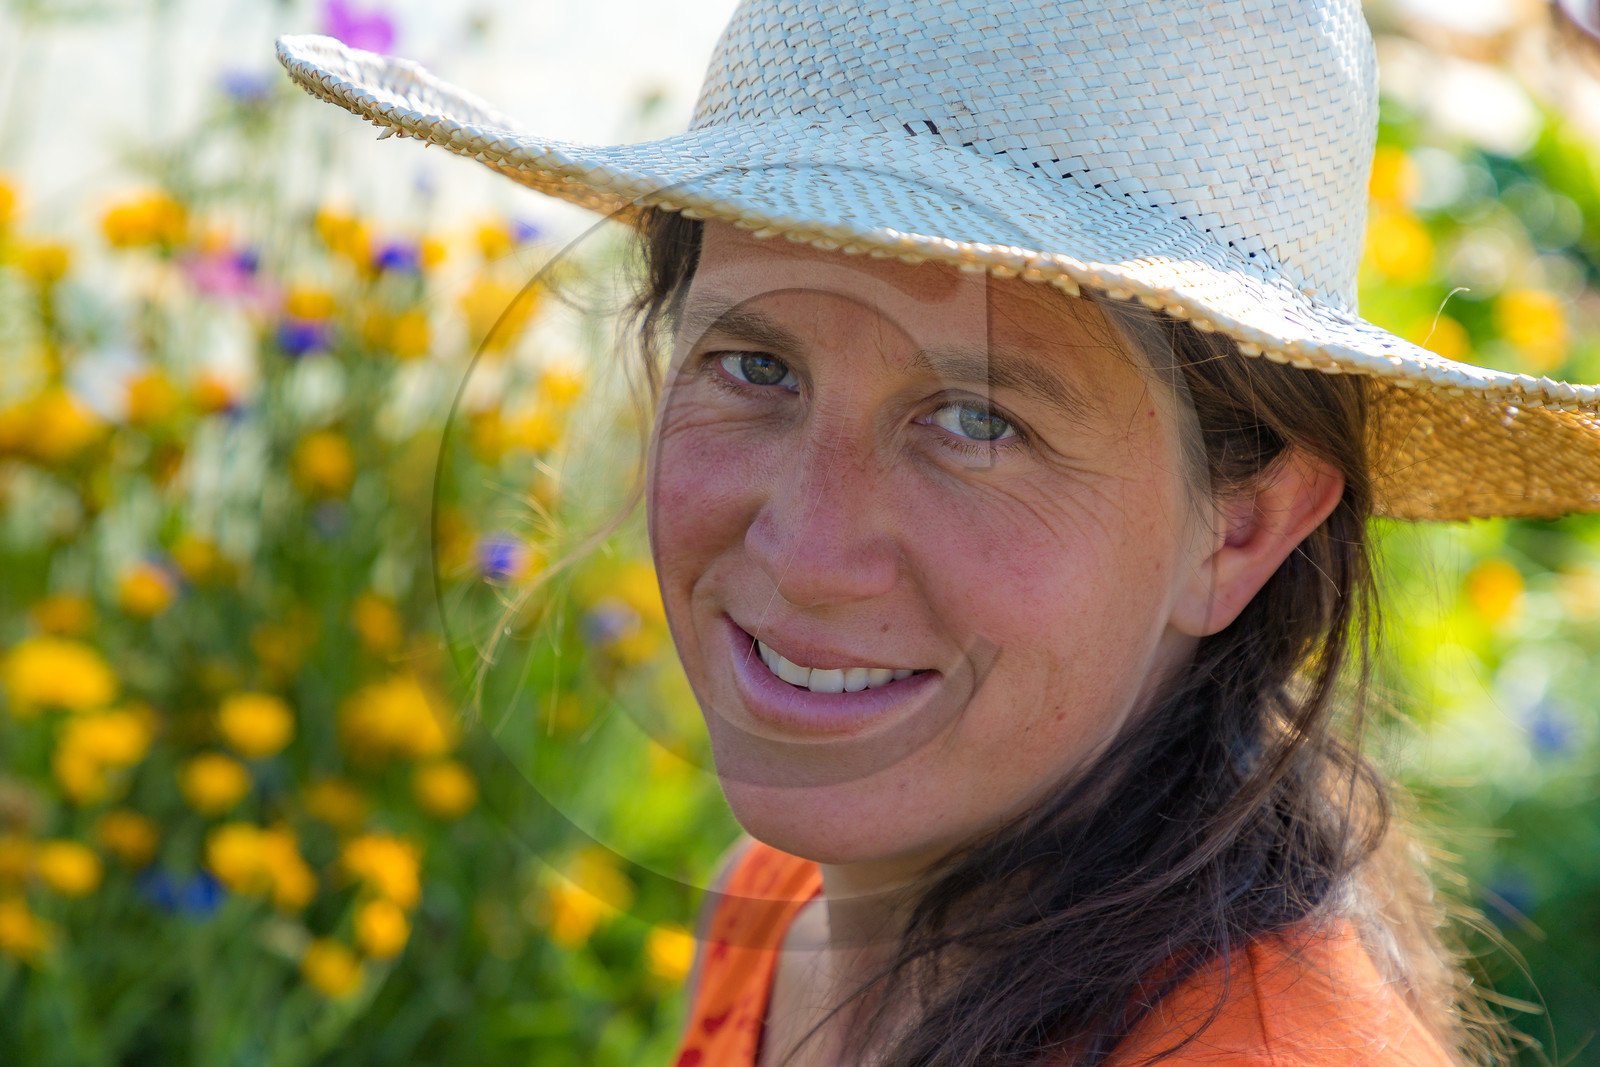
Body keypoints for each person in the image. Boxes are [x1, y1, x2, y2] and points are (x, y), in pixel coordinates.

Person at [278, 0, 1600, 1063]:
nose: (804, 550)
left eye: (975, 420)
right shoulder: (792, 920)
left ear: (1241, 525)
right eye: (757, 369)